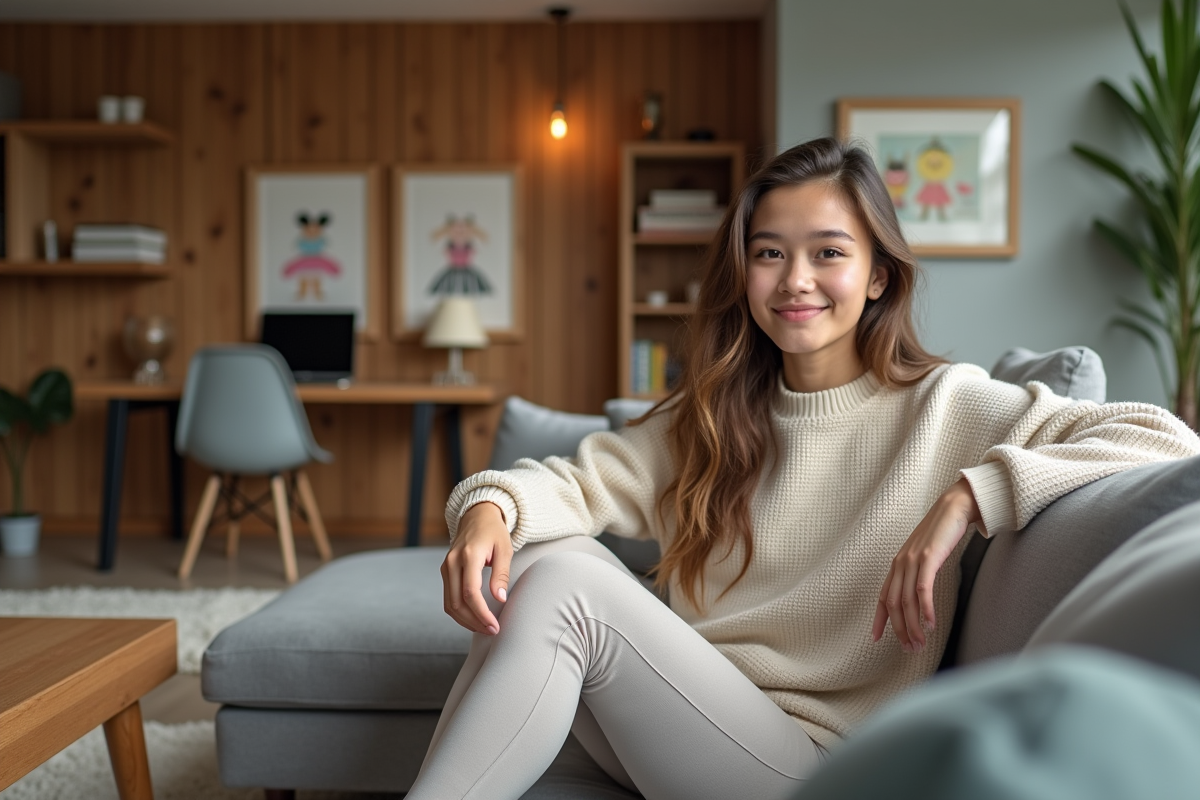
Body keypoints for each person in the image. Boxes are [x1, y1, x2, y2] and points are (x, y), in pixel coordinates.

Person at [406, 137, 1200, 800]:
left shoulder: (947, 405)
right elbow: (570, 484)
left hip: (805, 760)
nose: (795, 281)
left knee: (569, 588)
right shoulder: (716, 416)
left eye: (829, 253)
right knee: (543, 553)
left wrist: (970, 494)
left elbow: (1164, 436)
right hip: (680, 722)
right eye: (769, 254)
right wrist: (487, 510)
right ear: (744, 274)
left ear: (878, 275)